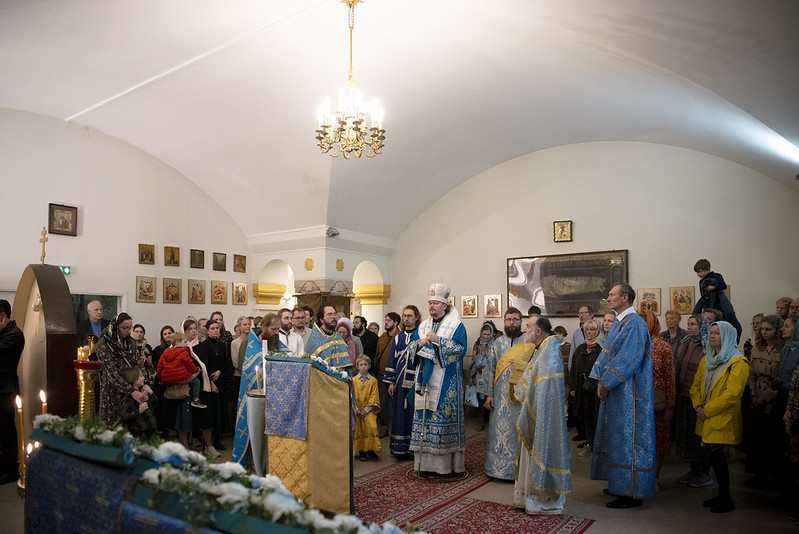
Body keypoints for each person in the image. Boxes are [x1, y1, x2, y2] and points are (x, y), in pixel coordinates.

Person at [590, 284, 655, 508]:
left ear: (624, 297)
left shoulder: (634, 324)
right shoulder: (620, 322)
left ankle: (631, 492)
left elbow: (628, 359)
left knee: (630, 440)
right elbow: (607, 353)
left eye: (611, 295)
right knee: (617, 438)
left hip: (630, 393)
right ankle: (619, 484)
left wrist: (606, 382)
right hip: (617, 391)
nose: (608, 298)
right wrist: (600, 380)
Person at [513, 314, 572, 514]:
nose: (524, 330)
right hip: (536, 410)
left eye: (527, 326)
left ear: (538, 331)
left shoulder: (549, 350)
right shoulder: (543, 348)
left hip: (543, 416)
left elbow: (545, 390)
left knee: (542, 450)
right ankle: (529, 496)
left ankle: (545, 500)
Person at [408, 283, 467, 475]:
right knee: (424, 417)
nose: (431, 306)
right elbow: (410, 349)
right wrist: (418, 343)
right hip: (424, 380)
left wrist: (438, 341)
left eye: (435, 303)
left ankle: (444, 467)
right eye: (429, 303)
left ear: (444, 305)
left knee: (441, 420)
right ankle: (423, 465)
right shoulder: (423, 326)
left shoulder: (457, 326)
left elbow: (460, 350)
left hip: (446, 383)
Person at [690, 321, 749, 513]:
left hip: (722, 418)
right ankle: (721, 495)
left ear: (728, 336)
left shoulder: (737, 362)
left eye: (718, 333)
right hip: (705, 416)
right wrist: (698, 405)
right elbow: (696, 386)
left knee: (720, 460)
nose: (713, 336)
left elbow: (733, 394)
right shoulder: (707, 358)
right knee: (713, 459)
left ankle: (727, 499)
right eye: (712, 333)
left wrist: (708, 410)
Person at [232, 314, 294, 466]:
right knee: (256, 432)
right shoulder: (249, 344)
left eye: (278, 329)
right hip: (256, 399)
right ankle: (255, 464)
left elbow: (289, 360)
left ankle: (272, 464)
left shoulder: (277, 343)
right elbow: (248, 370)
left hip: (276, 398)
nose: (276, 332)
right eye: (273, 329)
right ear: (263, 327)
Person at [477, 307, 528, 480]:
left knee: (518, 432)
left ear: (521, 321)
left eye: (515, 319)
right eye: (508, 319)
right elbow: (489, 369)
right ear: (504, 322)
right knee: (497, 432)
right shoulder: (497, 344)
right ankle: (496, 469)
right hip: (499, 396)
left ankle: (517, 471)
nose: (511, 323)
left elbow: (535, 368)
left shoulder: (528, 343)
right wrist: (488, 394)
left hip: (519, 397)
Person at [744, 314, 785, 488]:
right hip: (757, 393)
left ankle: (774, 476)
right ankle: (759, 475)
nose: (764, 332)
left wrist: (764, 398)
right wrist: (753, 395)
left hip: (773, 398)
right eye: (762, 329)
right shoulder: (757, 347)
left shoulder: (783, 349)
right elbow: (751, 373)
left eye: (768, 329)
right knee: (757, 439)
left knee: (772, 441)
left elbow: (781, 378)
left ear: (777, 330)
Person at [674, 315, 712, 487]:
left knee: (701, 438)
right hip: (685, 395)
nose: (689, 327)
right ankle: (693, 469)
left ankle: (705, 472)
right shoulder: (687, 343)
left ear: (702, 326)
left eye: (693, 324)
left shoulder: (707, 345)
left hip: (700, 399)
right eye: (688, 324)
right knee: (688, 434)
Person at [96, 312, 149, 426]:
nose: (128, 331)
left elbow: (139, 364)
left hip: (133, 386)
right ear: (115, 327)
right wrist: (131, 391)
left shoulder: (131, 344)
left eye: (130, 328)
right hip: (113, 390)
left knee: (131, 422)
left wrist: (144, 384)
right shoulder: (104, 347)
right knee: (114, 423)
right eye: (124, 328)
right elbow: (112, 373)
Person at [384, 305, 421, 459]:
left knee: (414, 415)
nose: (406, 319)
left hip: (416, 383)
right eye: (404, 316)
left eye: (410, 316)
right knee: (399, 414)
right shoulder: (398, 337)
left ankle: (414, 448)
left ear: (417, 317)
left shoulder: (421, 335)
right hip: (400, 382)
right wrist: (391, 383)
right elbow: (392, 359)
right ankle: (400, 448)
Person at [645, 310, 676, 490]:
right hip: (638, 400)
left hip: (657, 401)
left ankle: (654, 478)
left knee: (659, 440)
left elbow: (670, 378)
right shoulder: (637, 344)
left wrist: (670, 406)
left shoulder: (663, 347)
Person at [194, 319, 234, 452]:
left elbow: (226, 362)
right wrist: (211, 380)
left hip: (220, 380)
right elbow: (203, 365)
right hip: (208, 382)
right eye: (213, 328)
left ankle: (218, 439)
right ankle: (209, 442)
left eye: (217, 328)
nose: (216, 330)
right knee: (211, 411)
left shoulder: (222, 345)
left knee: (220, 411)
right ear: (207, 330)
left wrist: (220, 371)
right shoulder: (203, 346)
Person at [569, 318, 602, 457]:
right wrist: (572, 387)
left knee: (593, 417)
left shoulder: (600, 349)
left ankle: (593, 443)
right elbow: (574, 370)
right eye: (587, 330)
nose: (589, 332)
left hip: (593, 391)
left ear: (597, 332)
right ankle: (588, 440)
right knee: (583, 416)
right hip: (580, 389)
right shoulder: (580, 349)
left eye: (592, 330)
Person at [0, 300, 24, 485]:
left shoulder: (15, 334)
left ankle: (11, 469)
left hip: (5, 389)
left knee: (6, 430)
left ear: (2, 316)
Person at [691, 259, 742, 343]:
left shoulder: (716, 276)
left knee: (729, 313)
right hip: (707, 300)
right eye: (697, 273)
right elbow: (702, 293)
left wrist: (713, 288)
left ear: (707, 269)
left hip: (717, 299)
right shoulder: (701, 281)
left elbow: (723, 286)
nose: (699, 274)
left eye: (700, 271)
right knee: (695, 314)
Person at [157, 332, 204, 409]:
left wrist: (159, 376)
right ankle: (196, 399)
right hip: (181, 377)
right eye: (185, 342)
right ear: (178, 342)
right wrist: (196, 370)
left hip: (168, 378)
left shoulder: (165, 352)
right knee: (196, 382)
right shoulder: (183, 351)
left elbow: (160, 365)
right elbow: (189, 364)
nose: (186, 344)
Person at [374, 312, 400, 437]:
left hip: (397, 376)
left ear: (395, 322)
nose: (386, 322)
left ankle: (397, 428)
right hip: (381, 374)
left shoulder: (400, 336)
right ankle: (384, 427)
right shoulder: (382, 337)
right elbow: (378, 354)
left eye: (389, 320)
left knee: (397, 404)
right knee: (382, 402)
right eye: (385, 320)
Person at [353, 355, 381, 461]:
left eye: (365, 365)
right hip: (357, 410)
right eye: (361, 365)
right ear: (357, 366)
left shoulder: (373, 381)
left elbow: (374, 396)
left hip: (368, 410)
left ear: (369, 366)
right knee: (359, 429)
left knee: (371, 426)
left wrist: (366, 410)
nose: (363, 367)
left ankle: (371, 449)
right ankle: (362, 451)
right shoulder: (353, 380)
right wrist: (356, 409)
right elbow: (351, 396)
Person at [470, 322, 496, 431]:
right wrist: (471, 375)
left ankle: (490, 421)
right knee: (480, 400)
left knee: (489, 398)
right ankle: (480, 422)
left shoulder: (495, 344)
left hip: (490, 375)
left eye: (488, 334)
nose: (486, 336)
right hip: (479, 375)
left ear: (492, 334)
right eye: (484, 334)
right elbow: (473, 359)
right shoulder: (478, 344)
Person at [119, 367, 158, 438]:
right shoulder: (128, 397)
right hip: (139, 431)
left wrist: (151, 393)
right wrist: (139, 411)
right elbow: (124, 417)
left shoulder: (143, 390)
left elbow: (155, 404)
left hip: (151, 426)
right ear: (133, 378)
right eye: (140, 376)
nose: (143, 378)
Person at [230, 316, 251, 406]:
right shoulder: (235, 342)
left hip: (252, 376)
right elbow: (235, 362)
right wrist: (245, 373)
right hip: (239, 376)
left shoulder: (253, 341)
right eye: (245, 324)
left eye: (249, 324)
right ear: (239, 327)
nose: (247, 326)